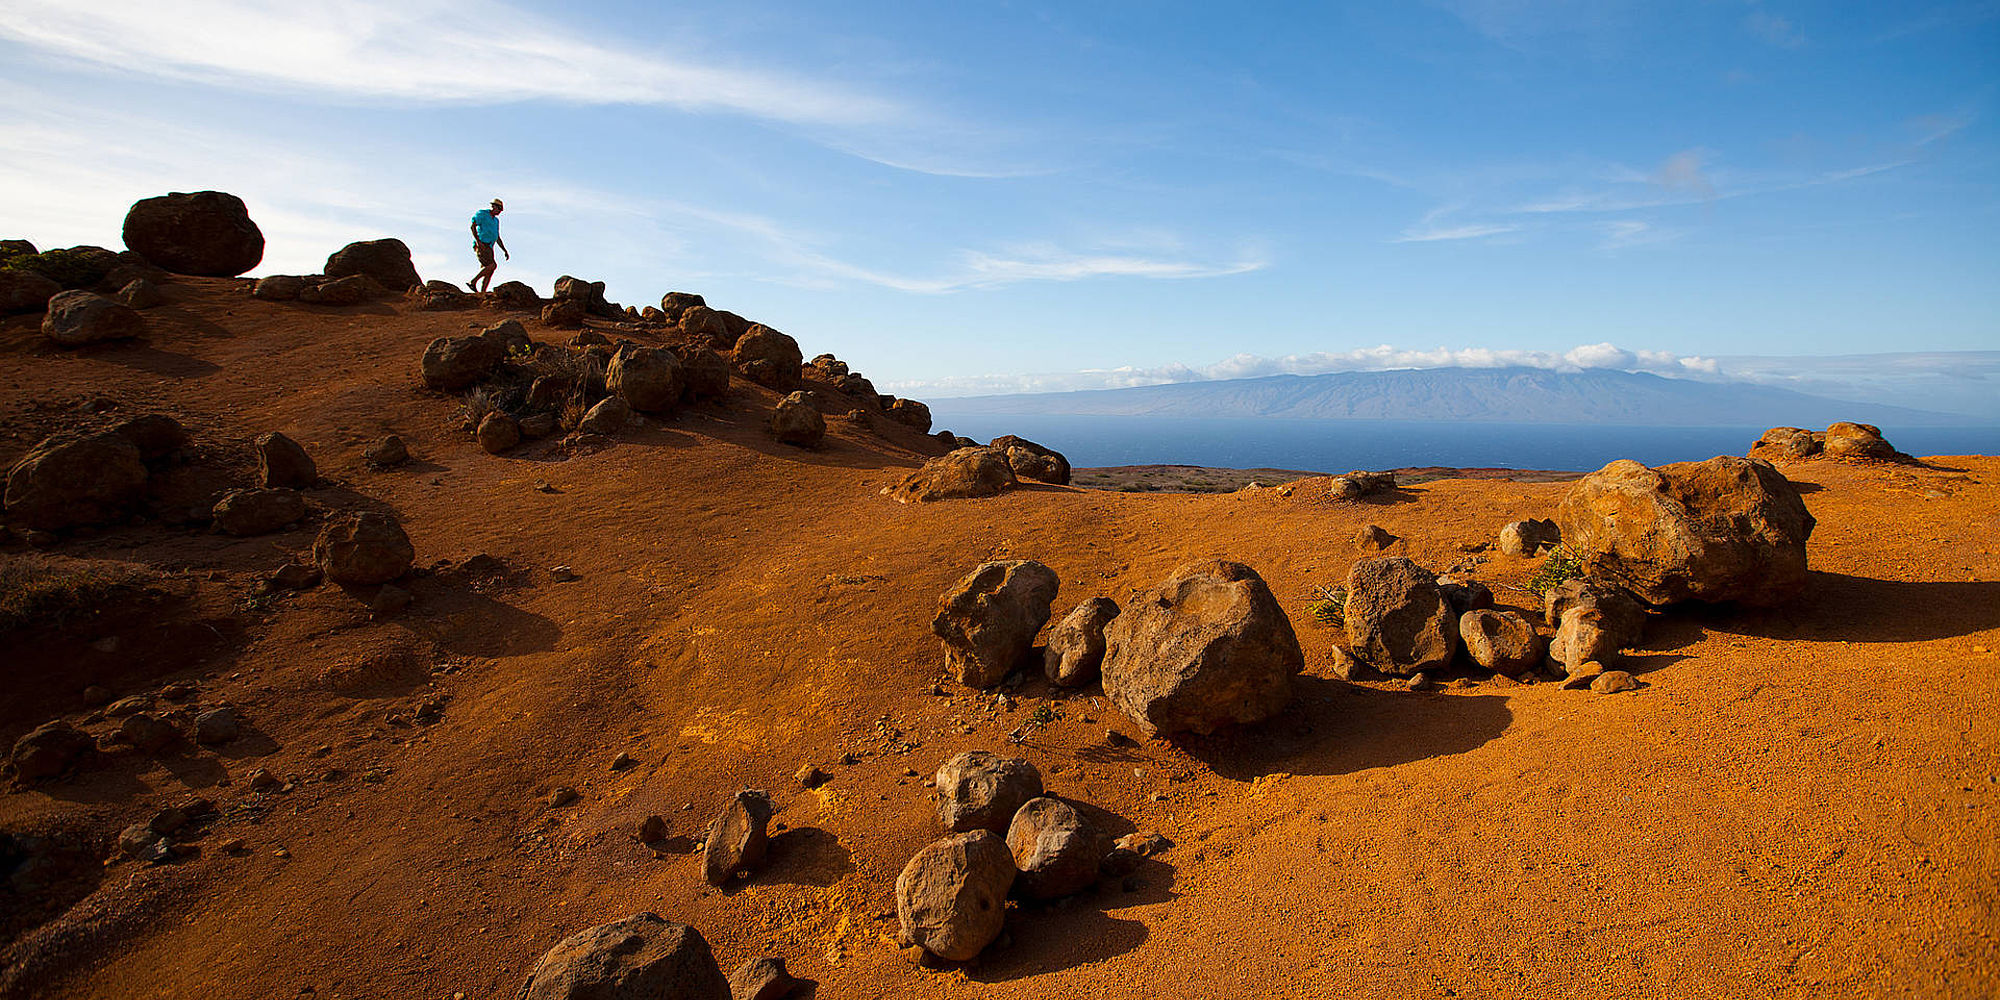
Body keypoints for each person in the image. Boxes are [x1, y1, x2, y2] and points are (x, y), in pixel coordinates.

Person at [466, 198, 509, 292]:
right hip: (482, 244)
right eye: (499, 209)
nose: (500, 212)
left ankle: (483, 292)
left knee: (490, 270)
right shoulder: (483, 214)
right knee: (492, 265)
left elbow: (497, 237)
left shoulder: (496, 221)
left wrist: (504, 250)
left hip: (489, 246)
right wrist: (478, 241)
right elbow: (473, 226)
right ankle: (472, 282)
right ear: (494, 207)